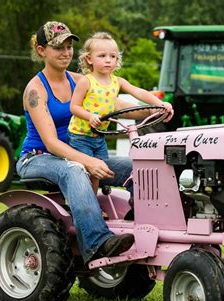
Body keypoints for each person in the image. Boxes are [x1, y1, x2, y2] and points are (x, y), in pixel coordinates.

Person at [16, 21, 173, 264]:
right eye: (58, 48)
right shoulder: (35, 90)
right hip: (39, 157)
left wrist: (154, 110)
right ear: (41, 51)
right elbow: (51, 143)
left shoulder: (81, 81)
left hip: (79, 151)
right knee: (75, 170)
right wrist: (89, 162)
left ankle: (147, 225)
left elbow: (117, 106)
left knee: (137, 167)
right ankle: (97, 243)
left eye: (69, 47)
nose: (66, 53)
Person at [69, 32, 173, 192]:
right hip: (80, 136)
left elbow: (139, 92)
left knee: (102, 172)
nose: (108, 60)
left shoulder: (117, 82)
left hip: (99, 137)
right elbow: (74, 107)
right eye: (102, 56)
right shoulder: (86, 81)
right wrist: (90, 116)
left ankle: (100, 202)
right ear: (89, 59)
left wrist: (161, 104)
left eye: (113, 56)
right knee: (92, 173)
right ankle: (92, 205)